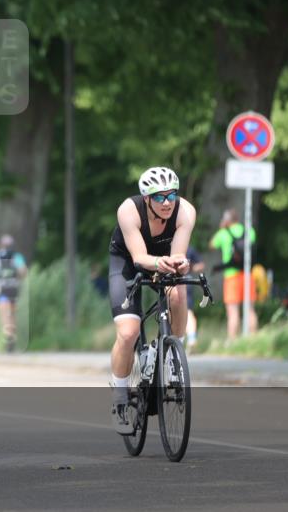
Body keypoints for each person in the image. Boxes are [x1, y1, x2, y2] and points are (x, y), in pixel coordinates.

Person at [108, 167, 196, 435]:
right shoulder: (128, 209)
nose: (167, 202)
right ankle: (120, 397)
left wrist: (180, 265)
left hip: (164, 261)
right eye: (159, 197)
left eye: (171, 195)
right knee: (128, 332)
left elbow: (178, 253)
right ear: (147, 198)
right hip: (128, 262)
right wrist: (162, 263)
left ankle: (172, 354)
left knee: (179, 294)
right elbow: (138, 258)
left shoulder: (186, 211)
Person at [209, 209, 258, 340]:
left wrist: (221, 228)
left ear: (226, 220)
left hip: (231, 276)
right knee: (250, 309)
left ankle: (232, 341)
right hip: (248, 274)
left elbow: (212, 245)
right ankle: (253, 339)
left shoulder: (223, 232)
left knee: (232, 311)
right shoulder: (249, 231)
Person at [0, 235, 28, 353]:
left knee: (5, 315)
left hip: (1, 289)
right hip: (13, 288)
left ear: (1, 245)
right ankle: (12, 336)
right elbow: (23, 272)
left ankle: (8, 337)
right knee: (12, 314)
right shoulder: (17, 257)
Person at [184, 245, 205, 353]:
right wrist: (191, 268)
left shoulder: (168, 244)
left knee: (176, 312)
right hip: (187, 280)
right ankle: (191, 338)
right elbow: (201, 265)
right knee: (188, 312)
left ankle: (184, 339)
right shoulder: (189, 248)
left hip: (174, 281)